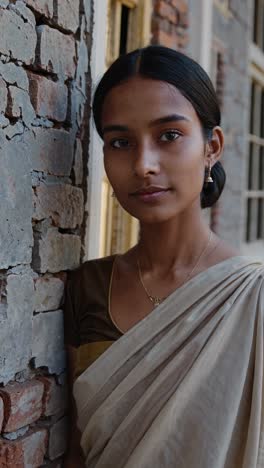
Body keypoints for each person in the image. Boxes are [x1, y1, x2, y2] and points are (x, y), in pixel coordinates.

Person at [64, 45, 264, 468]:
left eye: (169, 135)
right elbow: (77, 452)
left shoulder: (253, 296)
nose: (143, 164)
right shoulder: (88, 288)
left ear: (213, 147)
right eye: (120, 142)